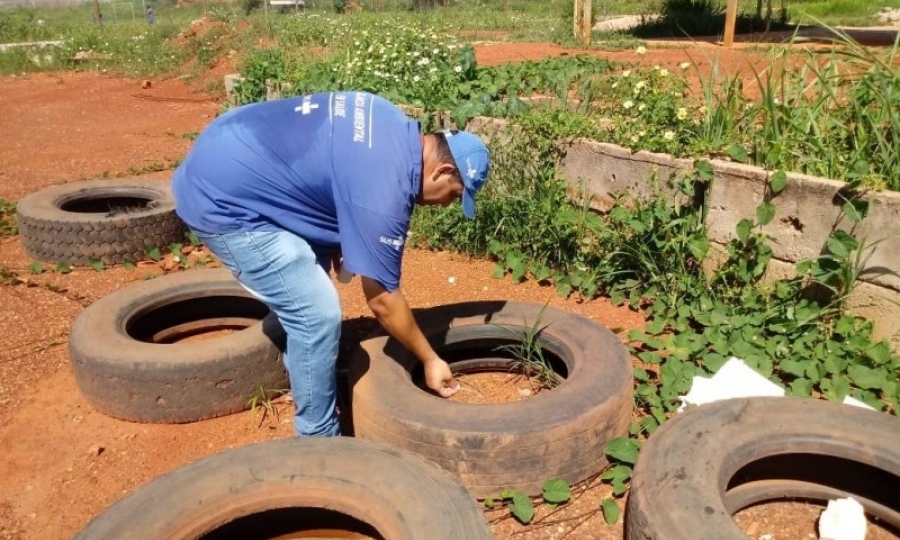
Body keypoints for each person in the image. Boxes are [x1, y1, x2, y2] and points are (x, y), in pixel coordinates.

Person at [172, 91, 490, 437]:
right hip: (221, 199)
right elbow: (382, 300)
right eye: (455, 195)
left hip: (232, 142)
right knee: (316, 315)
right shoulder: (386, 190)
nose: (446, 205)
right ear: (442, 171)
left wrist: (336, 234)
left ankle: (307, 365)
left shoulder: (390, 121)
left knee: (315, 265)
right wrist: (430, 359)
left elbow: (335, 169)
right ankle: (317, 437)